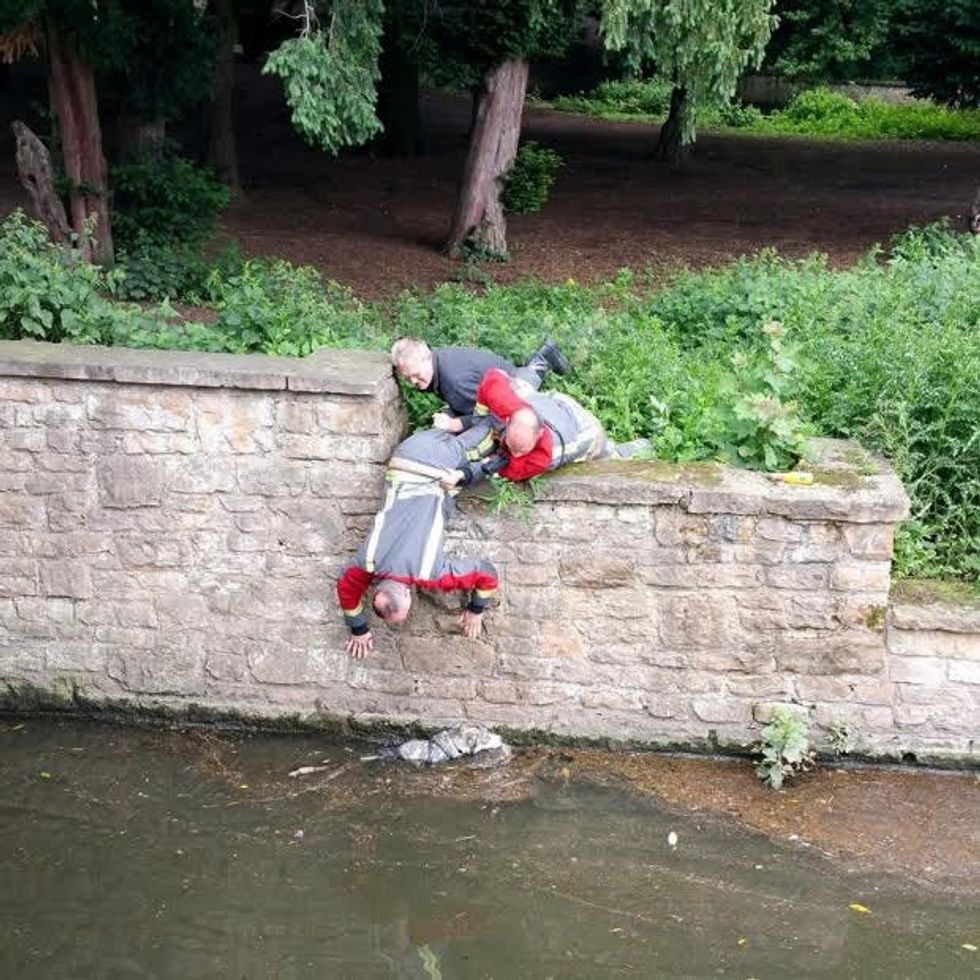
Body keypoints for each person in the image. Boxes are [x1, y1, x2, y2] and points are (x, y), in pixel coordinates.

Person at [336, 426, 501, 658]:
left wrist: (476, 610)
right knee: (463, 419)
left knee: (493, 435)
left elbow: (487, 573)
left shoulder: (429, 573)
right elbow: (346, 588)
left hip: (434, 464)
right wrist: (358, 629)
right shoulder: (367, 562)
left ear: (405, 595)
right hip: (406, 453)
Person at [451, 368, 649, 484]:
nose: (517, 454)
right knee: (520, 381)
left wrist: (467, 474)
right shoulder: (507, 402)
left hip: (582, 430)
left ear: (537, 437)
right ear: (509, 419)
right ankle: (539, 363)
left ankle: (643, 446)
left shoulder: (544, 456)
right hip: (552, 402)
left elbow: (505, 468)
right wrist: (479, 417)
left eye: (522, 451)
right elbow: (492, 378)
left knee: (609, 456)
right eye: (513, 447)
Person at [390, 337, 569, 433]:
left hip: (512, 387)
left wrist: (454, 424)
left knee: (521, 400)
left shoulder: (455, 383)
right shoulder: (439, 359)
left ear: (427, 358)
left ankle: (541, 361)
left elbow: (485, 416)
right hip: (500, 374)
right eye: (408, 378)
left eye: (416, 375)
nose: (413, 382)